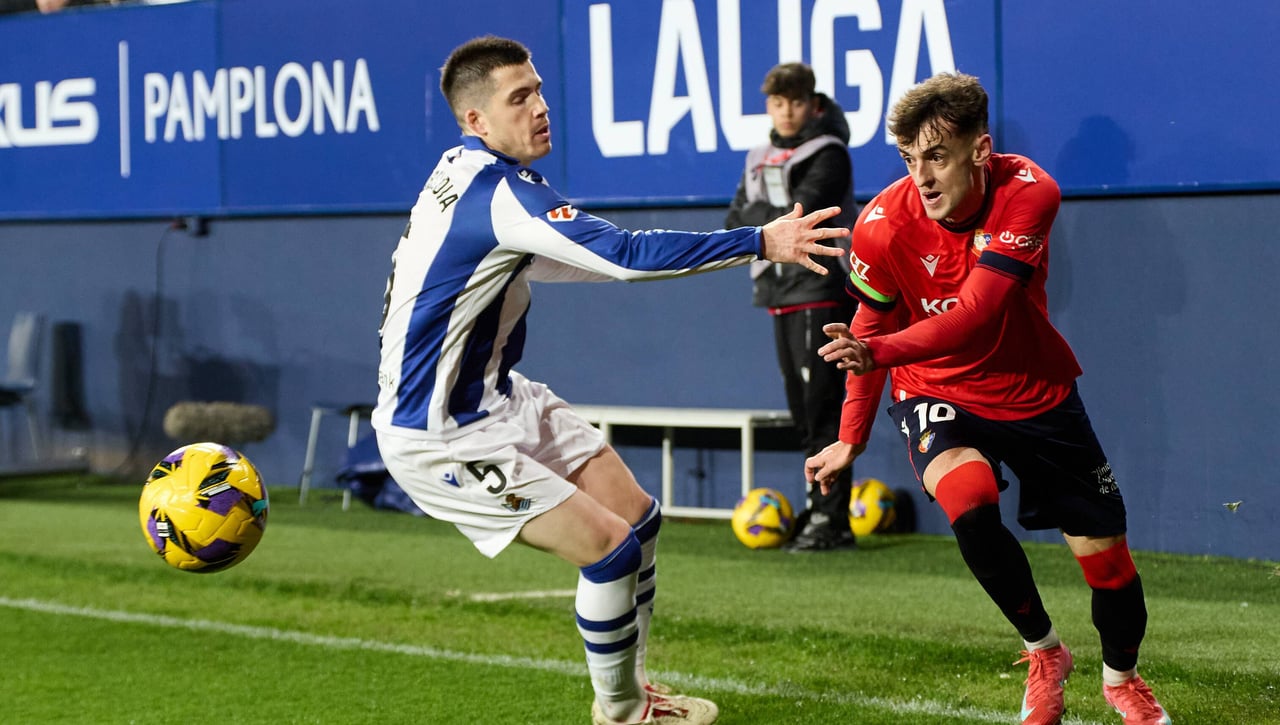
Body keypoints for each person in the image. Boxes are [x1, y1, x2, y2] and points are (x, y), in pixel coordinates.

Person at [373, 35, 848, 725]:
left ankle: (636, 689)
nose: (541, 107)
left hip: (497, 395)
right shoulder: (499, 193)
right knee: (609, 549)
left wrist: (613, 258)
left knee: (638, 518)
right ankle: (623, 712)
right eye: (519, 98)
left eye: (539, 89)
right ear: (475, 119)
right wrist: (758, 240)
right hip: (439, 433)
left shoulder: (468, 169)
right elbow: (623, 255)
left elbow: (551, 258)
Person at [804, 72, 1171, 725]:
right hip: (935, 389)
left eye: (936, 156)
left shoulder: (1029, 191)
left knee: (1109, 565)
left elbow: (976, 315)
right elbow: (868, 326)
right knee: (969, 505)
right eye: (908, 159)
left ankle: (1122, 680)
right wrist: (850, 436)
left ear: (980, 149)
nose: (921, 177)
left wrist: (880, 353)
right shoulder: (881, 225)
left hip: (1034, 391)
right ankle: (1045, 652)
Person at [725, 62, 858, 552]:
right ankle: (817, 507)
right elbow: (733, 221)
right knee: (802, 413)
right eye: (778, 103)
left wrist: (759, 220)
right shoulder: (757, 156)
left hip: (820, 289)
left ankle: (832, 520)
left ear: (813, 105)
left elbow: (798, 215)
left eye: (796, 102)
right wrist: (764, 221)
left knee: (823, 408)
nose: (786, 112)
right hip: (779, 293)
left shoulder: (829, 152)